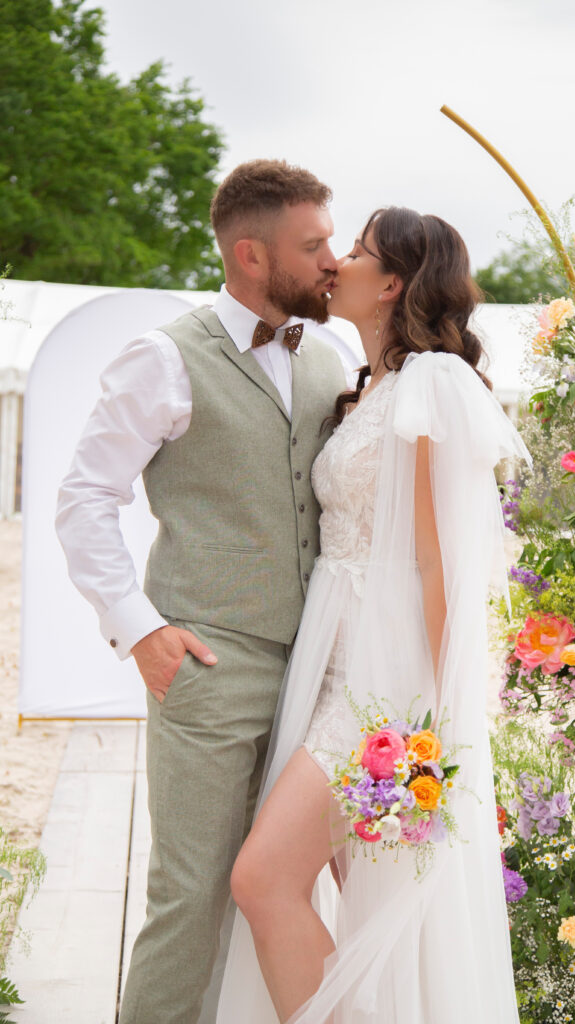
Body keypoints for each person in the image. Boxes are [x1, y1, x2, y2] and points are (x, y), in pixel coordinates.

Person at [55, 159, 350, 1024]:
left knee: (287, 891)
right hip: (211, 664)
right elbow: (85, 499)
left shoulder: (326, 356)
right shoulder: (164, 357)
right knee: (190, 899)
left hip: (319, 672)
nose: (332, 259)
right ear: (251, 256)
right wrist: (139, 629)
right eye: (315, 244)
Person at [220, 207, 531, 1023]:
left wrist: (431, 718)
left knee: (262, 880)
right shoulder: (370, 387)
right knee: (362, 903)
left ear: (391, 281)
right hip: (331, 669)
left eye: (352, 253)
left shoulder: (429, 380)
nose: (335, 265)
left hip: (381, 690)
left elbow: (439, 562)